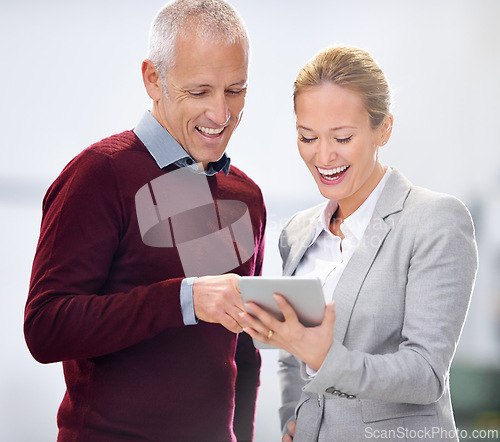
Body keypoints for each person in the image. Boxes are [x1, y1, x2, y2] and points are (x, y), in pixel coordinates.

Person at [24, 1, 266, 441]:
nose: (220, 113)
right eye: (200, 92)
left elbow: (242, 352)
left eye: (236, 90)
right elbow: (46, 326)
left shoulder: (245, 197)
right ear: (154, 79)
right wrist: (184, 299)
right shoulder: (100, 175)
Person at [241, 45, 478, 441]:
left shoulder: (434, 220)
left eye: (343, 137)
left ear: (383, 128)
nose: (323, 155)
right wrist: (291, 421)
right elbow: (291, 357)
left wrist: (326, 359)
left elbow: (425, 374)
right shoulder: (298, 232)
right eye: (307, 136)